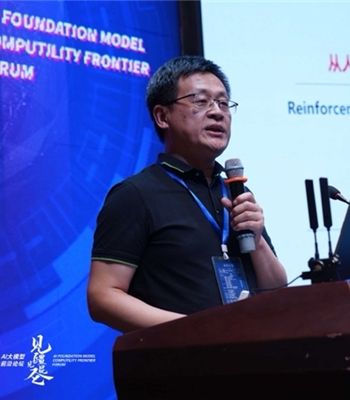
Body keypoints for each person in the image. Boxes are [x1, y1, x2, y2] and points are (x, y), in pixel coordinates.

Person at [87, 55, 287, 333]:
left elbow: (276, 290)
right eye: (201, 101)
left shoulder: (235, 191)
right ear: (162, 116)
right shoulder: (135, 194)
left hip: (248, 351)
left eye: (223, 103)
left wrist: (258, 240)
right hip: (180, 356)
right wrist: (195, 331)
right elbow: (103, 296)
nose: (217, 112)